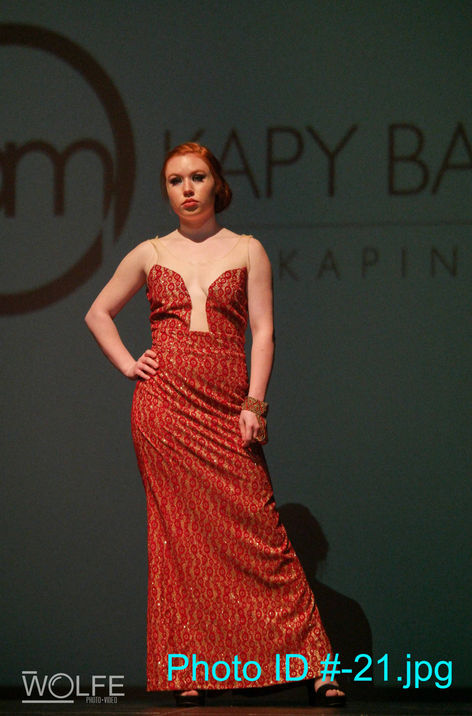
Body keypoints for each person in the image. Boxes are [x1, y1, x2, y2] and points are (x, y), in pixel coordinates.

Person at [85, 142, 345, 707]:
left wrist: (255, 404)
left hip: (228, 407)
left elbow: (264, 332)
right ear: (166, 190)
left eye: (197, 177)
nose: (187, 188)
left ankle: (314, 662)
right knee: (177, 539)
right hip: (165, 410)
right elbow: (97, 312)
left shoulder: (248, 249)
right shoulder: (150, 252)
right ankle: (189, 667)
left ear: (216, 183)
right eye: (175, 180)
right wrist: (129, 364)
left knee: (261, 531)